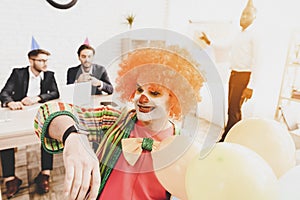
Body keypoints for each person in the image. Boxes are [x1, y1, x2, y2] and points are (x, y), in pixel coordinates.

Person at [34, 46, 204, 199]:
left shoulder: (184, 147)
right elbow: (48, 110)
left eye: (154, 92)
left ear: (175, 99)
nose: (142, 98)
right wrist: (72, 136)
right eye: (139, 89)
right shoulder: (112, 120)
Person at [0, 49, 60, 198]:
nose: (45, 64)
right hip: (19, 114)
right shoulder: (18, 73)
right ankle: (10, 179)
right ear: (31, 61)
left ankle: (45, 173)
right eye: (41, 61)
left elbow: (55, 93)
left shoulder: (49, 75)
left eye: (46, 60)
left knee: (48, 133)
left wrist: (37, 98)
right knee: (5, 138)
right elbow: (4, 93)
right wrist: (9, 102)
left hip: (39, 112)